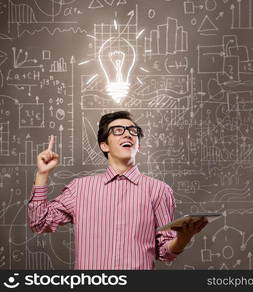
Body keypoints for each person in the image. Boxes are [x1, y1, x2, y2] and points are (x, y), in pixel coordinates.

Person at [27, 111, 208, 269]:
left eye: (133, 131)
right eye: (118, 131)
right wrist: (42, 174)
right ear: (104, 145)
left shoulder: (159, 190)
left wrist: (184, 238)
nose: (128, 135)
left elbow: (164, 252)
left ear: (139, 145)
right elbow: (38, 223)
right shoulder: (80, 189)